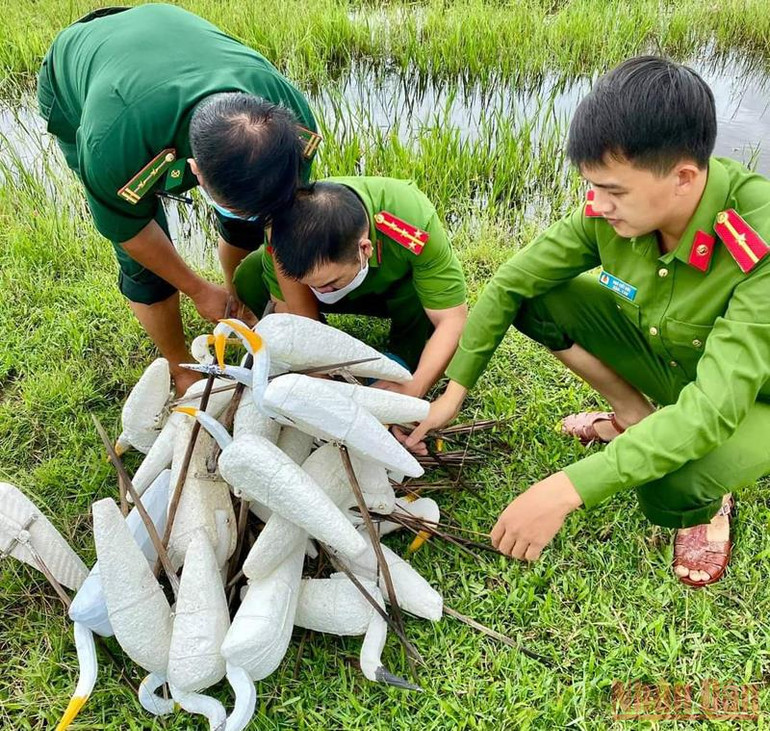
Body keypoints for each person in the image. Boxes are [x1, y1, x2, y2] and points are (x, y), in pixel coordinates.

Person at [406, 56, 770, 587]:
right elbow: (510, 283)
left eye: (613, 191)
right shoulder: (610, 211)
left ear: (684, 178)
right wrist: (452, 392)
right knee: (536, 296)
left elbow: (715, 406)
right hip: (674, 357)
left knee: (673, 483)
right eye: (591, 185)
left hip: (752, 394)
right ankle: (631, 417)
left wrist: (567, 488)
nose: (596, 205)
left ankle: (710, 504)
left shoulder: (756, 240)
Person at [37, 4, 321, 394]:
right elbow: (131, 232)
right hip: (80, 70)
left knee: (246, 224)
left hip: (164, 39)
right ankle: (180, 367)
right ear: (196, 172)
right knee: (149, 268)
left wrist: (291, 310)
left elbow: (284, 222)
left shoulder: (290, 123)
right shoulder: (112, 146)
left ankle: (235, 302)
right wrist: (197, 289)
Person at [233, 177, 468, 396]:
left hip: (393, 293)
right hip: (325, 292)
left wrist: (413, 390)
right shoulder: (282, 228)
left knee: (422, 300)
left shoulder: (410, 220)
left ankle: (403, 354)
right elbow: (292, 313)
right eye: (310, 284)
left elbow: (452, 320)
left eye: (329, 283)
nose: (320, 292)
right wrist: (321, 373)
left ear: (365, 248)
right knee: (250, 273)